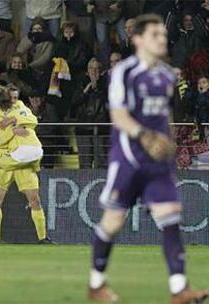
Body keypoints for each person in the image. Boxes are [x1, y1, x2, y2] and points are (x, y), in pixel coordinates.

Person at [87, 14, 209, 303]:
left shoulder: (167, 75)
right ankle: (96, 284)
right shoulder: (124, 73)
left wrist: (167, 141)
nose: (161, 39)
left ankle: (179, 289)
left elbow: (164, 116)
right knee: (113, 221)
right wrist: (146, 138)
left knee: (170, 219)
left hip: (158, 162)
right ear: (138, 39)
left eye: (163, 35)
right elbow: (118, 116)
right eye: (155, 34)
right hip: (128, 159)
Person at [0, 86, 50, 244]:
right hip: (8, 156)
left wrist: (14, 120)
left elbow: (33, 120)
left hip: (21, 160)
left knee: (35, 200)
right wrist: (13, 131)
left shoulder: (20, 108)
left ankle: (43, 238)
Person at [72, 58, 108, 169]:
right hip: (83, 128)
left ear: (101, 71)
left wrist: (96, 88)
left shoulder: (106, 84)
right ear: (87, 70)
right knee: (85, 163)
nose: (94, 71)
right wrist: (86, 91)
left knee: (101, 163)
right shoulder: (80, 82)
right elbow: (73, 102)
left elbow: (108, 102)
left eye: (97, 69)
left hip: (101, 128)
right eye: (91, 68)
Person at [86, 0, 127, 67]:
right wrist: (89, 4)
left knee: (125, 39)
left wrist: (118, 4)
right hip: (100, 15)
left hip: (117, 14)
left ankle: (127, 63)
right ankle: (105, 67)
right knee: (102, 42)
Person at [17, 17, 55, 82]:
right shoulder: (27, 38)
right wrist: (31, 41)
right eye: (34, 29)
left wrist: (30, 66)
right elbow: (19, 51)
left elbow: (46, 58)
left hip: (40, 70)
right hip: (24, 67)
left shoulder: (49, 40)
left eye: (39, 28)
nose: (36, 31)